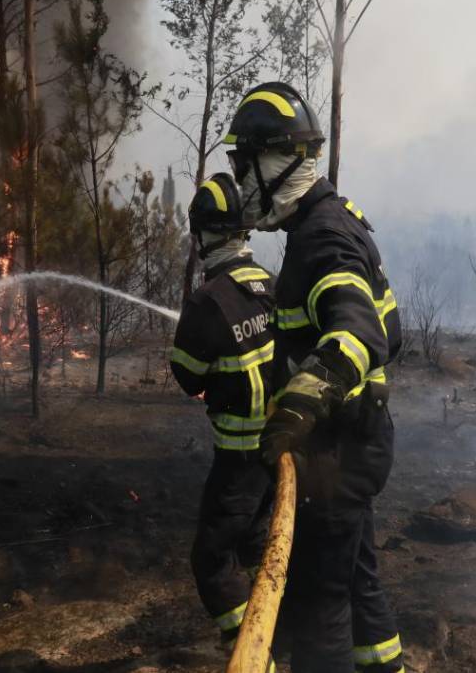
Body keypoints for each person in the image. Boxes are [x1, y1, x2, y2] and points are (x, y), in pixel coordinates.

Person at [223, 81, 404, 673]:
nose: (241, 180)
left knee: (315, 605)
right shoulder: (327, 221)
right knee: (357, 578)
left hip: (336, 451)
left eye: (243, 163)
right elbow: (390, 330)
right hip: (357, 440)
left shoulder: (323, 237)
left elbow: (359, 333)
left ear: (278, 160)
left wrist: (297, 407)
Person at [169, 172, 277, 650]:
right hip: (281, 451)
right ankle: (274, 625)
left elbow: (187, 376)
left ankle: (246, 644)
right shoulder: (273, 285)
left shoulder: (207, 302)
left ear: (204, 234)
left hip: (239, 456)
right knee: (258, 545)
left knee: (212, 557)